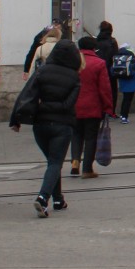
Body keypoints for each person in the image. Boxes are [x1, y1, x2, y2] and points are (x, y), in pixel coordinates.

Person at [9, 39, 81, 217]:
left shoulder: (42, 71)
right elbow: (67, 105)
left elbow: (26, 95)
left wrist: (16, 119)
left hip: (40, 125)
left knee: (52, 162)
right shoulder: (74, 77)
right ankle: (43, 198)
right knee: (55, 162)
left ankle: (58, 200)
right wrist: (53, 106)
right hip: (62, 126)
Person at [70, 37, 115, 178]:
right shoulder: (99, 63)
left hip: (73, 105)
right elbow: (105, 88)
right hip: (92, 106)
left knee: (76, 135)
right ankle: (87, 169)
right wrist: (108, 107)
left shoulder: (72, 63)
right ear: (94, 48)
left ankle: (75, 161)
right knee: (91, 137)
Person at [112, 43, 135, 124]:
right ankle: (124, 117)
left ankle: (122, 114)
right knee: (128, 99)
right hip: (131, 82)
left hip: (122, 81)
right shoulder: (133, 59)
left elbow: (112, 70)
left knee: (125, 98)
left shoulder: (117, 58)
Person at [94, 20, 120, 114]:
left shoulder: (96, 41)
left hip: (97, 69)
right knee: (112, 90)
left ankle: (100, 109)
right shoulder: (112, 41)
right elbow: (116, 56)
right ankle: (111, 111)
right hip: (110, 69)